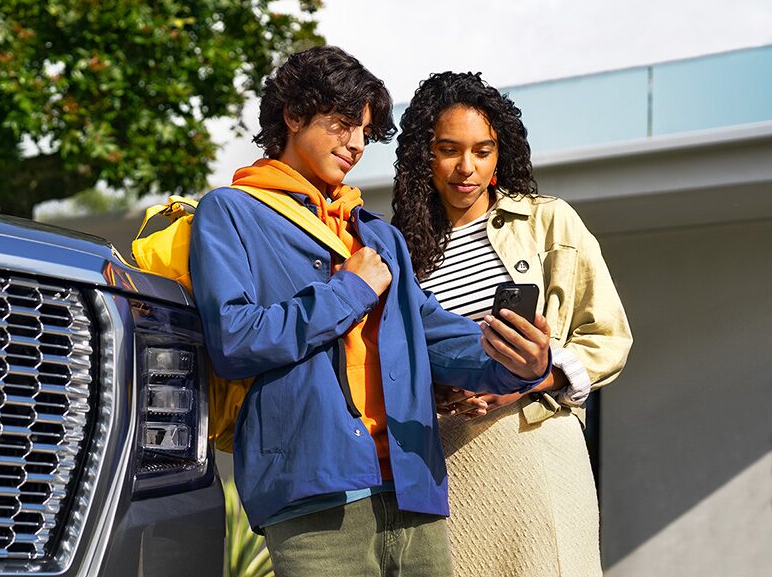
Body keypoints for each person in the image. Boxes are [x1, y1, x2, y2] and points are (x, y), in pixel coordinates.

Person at [188, 46, 556, 577]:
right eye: (342, 125)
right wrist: (349, 291)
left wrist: (517, 362)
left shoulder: (377, 235)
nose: (357, 145)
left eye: (364, 131)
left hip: (412, 485)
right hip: (312, 495)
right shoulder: (230, 212)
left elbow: (431, 335)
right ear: (293, 116)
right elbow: (236, 340)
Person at [391, 71, 633, 577]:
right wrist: (430, 390)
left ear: (500, 154)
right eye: (449, 150)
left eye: (483, 150)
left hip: (535, 448)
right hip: (446, 464)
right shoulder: (400, 251)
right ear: (423, 157)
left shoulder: (549, 222)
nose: (466, 168)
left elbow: (607, 337)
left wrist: (526, 382)